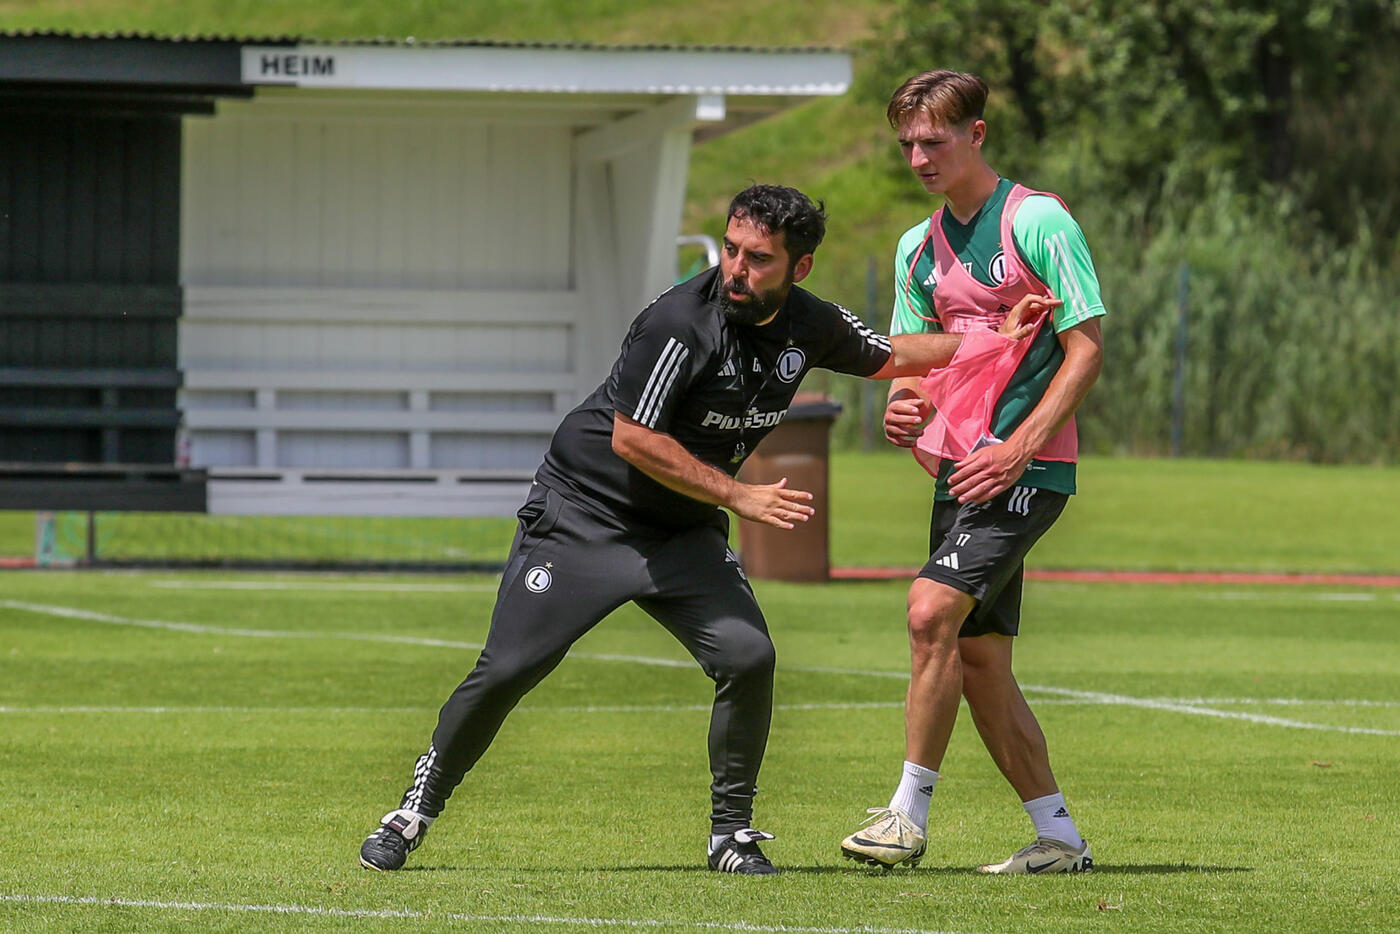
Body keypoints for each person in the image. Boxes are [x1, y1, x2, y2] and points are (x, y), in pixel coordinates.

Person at [358, 184, 1053, 876]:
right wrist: (739, 497)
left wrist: (996, 337)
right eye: (730, 249)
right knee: (509, 667)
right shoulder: (679, 321)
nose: (736, 268)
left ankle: (730, 836)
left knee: (748, 658)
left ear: (798, 268)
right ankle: (412, 812)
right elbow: (633, 440)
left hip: (681, 531)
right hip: (586, 517)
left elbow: (894, 355)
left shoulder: (806, 323)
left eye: (757, 258)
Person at [837, 71, 1106, 874]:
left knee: (928, 614)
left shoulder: (1038, 221)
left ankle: (905, 817)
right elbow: (912, 363)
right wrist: (903, 405)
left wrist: (1021, 445)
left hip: (1026, 468)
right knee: (981, 658)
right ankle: (1059, 839)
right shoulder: (914, 249)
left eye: (935, 139)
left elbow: (1086, 347)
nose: (919, 155)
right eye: (908, 142)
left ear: (977, 135)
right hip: (959, 472)